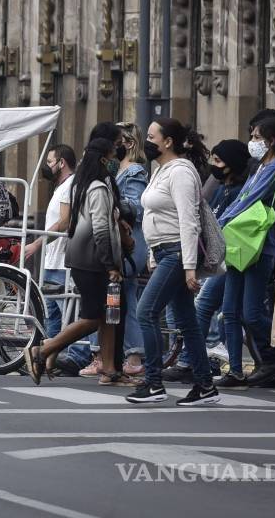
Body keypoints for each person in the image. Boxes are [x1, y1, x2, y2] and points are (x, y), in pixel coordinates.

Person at [126, 118, 219, 406]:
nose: (147, 142)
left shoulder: (180, 172)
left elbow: (189, 222)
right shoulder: (161, 170)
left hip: (177, 253)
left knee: (146, 311)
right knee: (186, 321)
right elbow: (156, 217)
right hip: (165, 252)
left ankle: (154, 382)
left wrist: (190, 267)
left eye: (152, 137)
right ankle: (205, 385)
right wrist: (152, 254)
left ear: (168, 142)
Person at [23, 138, 127, 386]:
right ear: (103, 159)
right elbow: (100, 229)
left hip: (82, 258)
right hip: (93, 260)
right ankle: (43, 349)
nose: (115, 161)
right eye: (113, 156)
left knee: (107, 316)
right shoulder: (97, 188)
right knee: (93, 317)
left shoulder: (81, 185)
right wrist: (111, 265)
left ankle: (109, 370)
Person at [162, 139, 249, 384]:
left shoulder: (239, 191)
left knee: (223, 310)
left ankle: (194, 362)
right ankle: (197, 362)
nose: (214, 165)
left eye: (219, 161)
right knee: (223, 311)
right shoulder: (220, 187)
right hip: (221, 257)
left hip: (231, 256)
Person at [217, 116, 275, 388]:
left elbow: (250, 199)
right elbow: (241, 198)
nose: (252, 142)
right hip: (240, 242)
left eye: (257, 137)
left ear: (271, 141)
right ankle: (236, 370)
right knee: (229, 310)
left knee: (251, 312)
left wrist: (221, 222)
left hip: (260, 245)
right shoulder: (258, 168)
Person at [23, 145, 78, 372]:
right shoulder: (61, 187)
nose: (47, 166)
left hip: (62, 262)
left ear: (61, 163)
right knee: (52, 314)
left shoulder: (69, 185)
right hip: (52, 261)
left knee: (67, 313)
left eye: (49, 162)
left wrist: (37, 244)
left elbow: (64, 222)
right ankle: (50, 357)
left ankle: (74, 356)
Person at [115, 122, 149, 377]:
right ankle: (123, 354)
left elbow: (135, 208)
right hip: (121, 241)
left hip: (130, 242)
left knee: (126, 296)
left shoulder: (134, 171)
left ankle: (135, 355)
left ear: (127, 143)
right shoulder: (118, 170)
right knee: (119, 297)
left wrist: (111, 204)